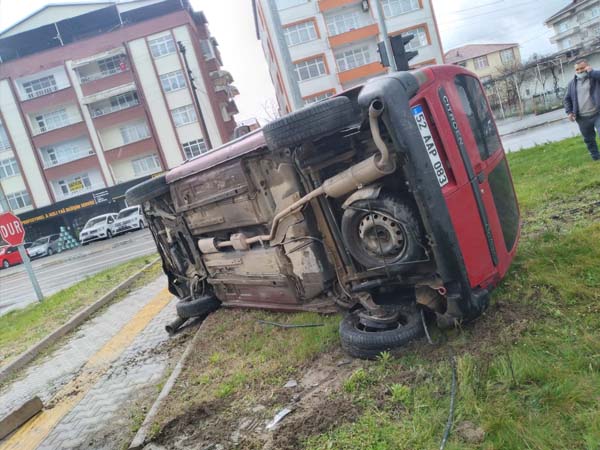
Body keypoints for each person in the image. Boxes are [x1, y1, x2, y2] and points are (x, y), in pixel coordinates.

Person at [564, 59, 600, 161]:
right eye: (577, 69)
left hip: (598, 113)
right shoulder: (572, 83)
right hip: (582, 117)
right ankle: (596, 158)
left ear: (588, 66)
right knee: (589, 139)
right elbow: (567, 99)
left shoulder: (595, 77)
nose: (580, 71)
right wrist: (569, 112)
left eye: (582, 68)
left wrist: (592, 72)